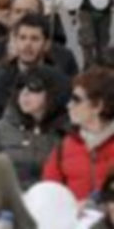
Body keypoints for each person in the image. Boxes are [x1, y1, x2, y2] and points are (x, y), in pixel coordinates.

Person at [0, 14, 72, 121]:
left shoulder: (60, 81)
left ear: (46, 44)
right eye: (22, 38)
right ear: (15, 41)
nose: (27, 44)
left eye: (35, 39)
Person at [43, 67, 114, 201]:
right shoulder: (64, 147)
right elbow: (49, 194)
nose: (69, 105)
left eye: (76, 99)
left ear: (98, 106)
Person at [0, 67, 68, 189]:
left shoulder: (66, 133)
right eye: (21, 87)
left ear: (52, 93)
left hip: (50, 196)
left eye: (34, 88)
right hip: (10, 195)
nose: (25, 93)